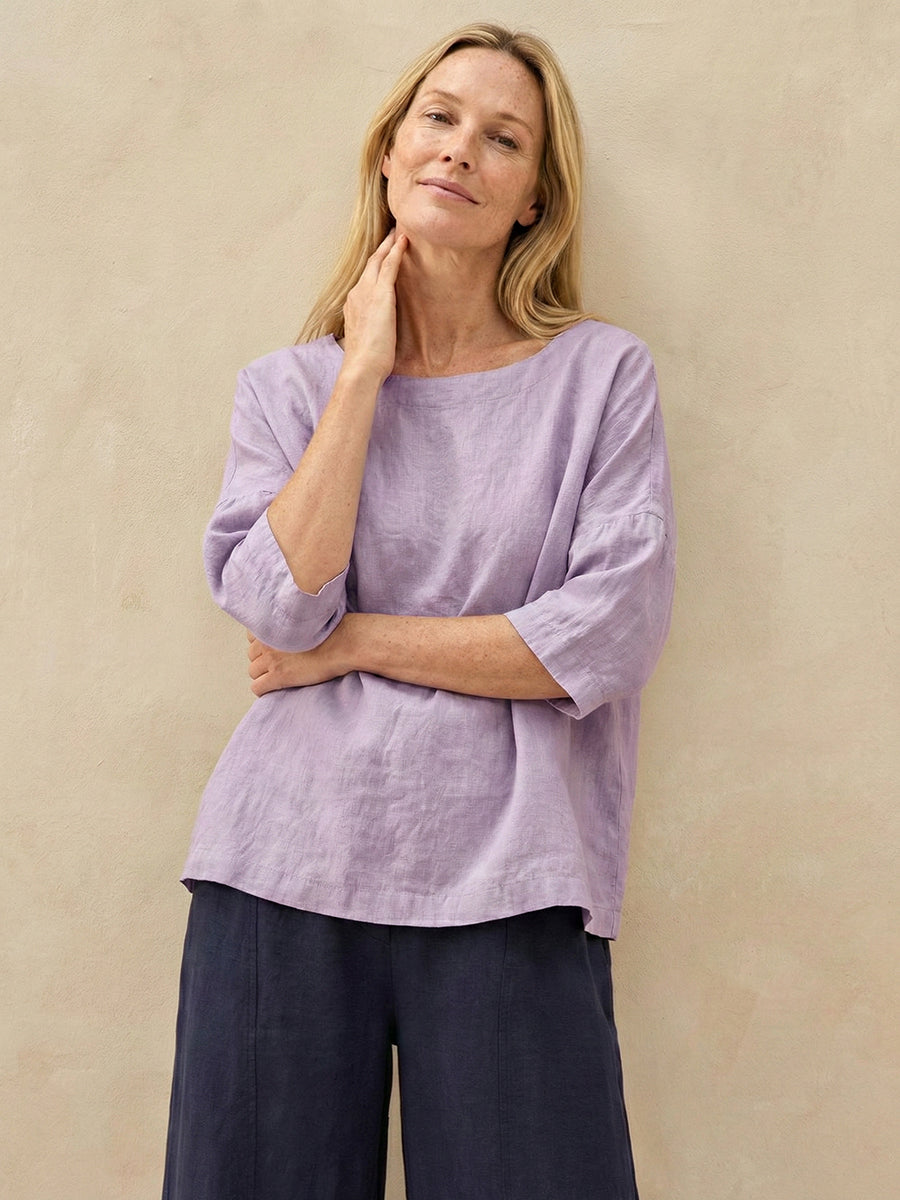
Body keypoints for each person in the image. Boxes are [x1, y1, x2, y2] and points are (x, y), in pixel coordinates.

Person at [163, 22, 675, 1200]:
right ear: (390, 149)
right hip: (281, 866)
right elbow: (277, 606)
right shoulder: (288, 388)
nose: (459, 150)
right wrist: (361, 371)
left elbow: (605, 635)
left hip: (516, 874)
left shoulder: (600, 377)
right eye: (438, 118)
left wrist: (354, 643)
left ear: (534, 198)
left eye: (503, 138)